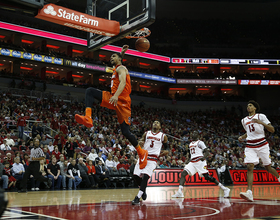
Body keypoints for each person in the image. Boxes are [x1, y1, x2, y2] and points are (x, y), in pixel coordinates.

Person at [75, 45, 148, 170]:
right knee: (90, 91)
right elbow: (119, 64)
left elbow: (123, 82)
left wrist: (117, 96)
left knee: (126, 132)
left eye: (113, 56)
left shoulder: (121, 69)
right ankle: (88, 117)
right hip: (114, 97)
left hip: (122, 101)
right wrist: (121, 53)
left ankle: (142, 153)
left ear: (119, 59)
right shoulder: (117, 68)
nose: (111, 58)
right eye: (111, 57)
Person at [238, 100, 280, 202]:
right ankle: (249, 193)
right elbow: (248, 133)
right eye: (248, 106)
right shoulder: (243, 120)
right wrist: (242, 137)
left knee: (268, 168)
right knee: (249, 166)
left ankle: (279, 178)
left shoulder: (261, 116)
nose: (248, 107)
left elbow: (272, 129)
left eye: (250, 105)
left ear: (255, 108)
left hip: (262, 145)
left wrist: (261, 123)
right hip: (250, 146)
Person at [172, 131, 230, 198]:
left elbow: (207, 152)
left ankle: (225, 189)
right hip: (193, 162)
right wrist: (188, 160)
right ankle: (180, 192)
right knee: (183, 173)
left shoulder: (200, 142)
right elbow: (193, 154)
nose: (193, 134)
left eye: (195, 133)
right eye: (192, 133)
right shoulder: (190, 143)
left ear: (198, 135)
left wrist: (203, 157)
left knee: (207, 177)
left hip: (200, 161)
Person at [132, 120, 168, 205]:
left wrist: (166, 151)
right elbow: (141, 141)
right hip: (143, 156)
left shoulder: (163, 136)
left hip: (153, 159)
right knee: (135, 176)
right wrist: (140, 142)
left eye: (158, 123)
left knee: (145, 177)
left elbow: (167, 147)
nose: (155, 123)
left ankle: (137, 197)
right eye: (154, 122)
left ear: (160, 127)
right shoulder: (146, 133)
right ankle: (143, 190)